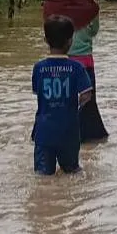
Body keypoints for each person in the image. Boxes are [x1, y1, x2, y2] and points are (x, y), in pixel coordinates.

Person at [41, 0, 109, 143]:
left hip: (57, 65)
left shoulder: (49, 6)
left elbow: (48, 33)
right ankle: (88, 145)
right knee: (86, 107)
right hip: (85, 66)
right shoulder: (91, 7)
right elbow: (93, 32)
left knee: (56, 104)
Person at [31, 15, 94, 175]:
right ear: (70, 41)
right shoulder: (77, 67)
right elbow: (87, 95)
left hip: (44, 132)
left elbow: (38, 92)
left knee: (42, 177)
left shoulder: (38, 68)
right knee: (73, 172)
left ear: (46, 40)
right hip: (69, 131)